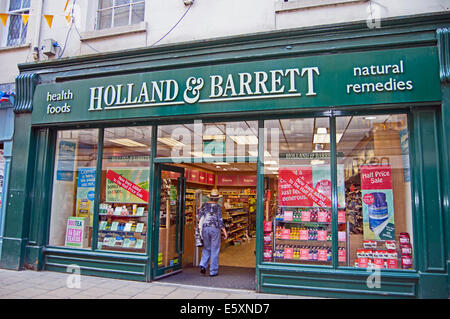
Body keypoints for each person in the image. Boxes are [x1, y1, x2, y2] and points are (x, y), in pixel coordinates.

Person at [198, 189, 228, 276]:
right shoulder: (218, 207)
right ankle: (213, 271)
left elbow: (199, 217)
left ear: (210, 197)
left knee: (207, 247)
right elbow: (220, 220)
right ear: (217, 199)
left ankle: (203, 265)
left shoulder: (204, 205)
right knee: (214, 249)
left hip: (205, 229)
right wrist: (224, 232)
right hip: (215, 229)